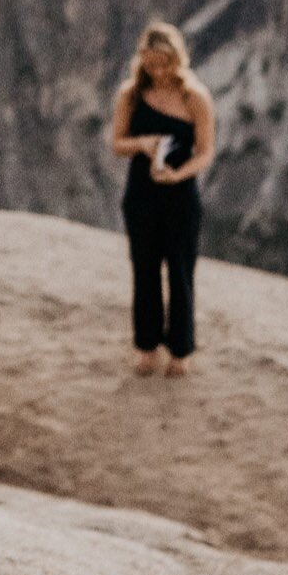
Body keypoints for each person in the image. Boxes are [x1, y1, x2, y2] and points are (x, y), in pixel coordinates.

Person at [109, 19, 216, 376]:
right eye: (151, 64)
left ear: (177, 60)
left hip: (181, 196)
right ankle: (147, 344)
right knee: (144, 269)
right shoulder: (131, 94)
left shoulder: (195, 97)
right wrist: (141, 144)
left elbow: (205, 151)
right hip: (141, 194)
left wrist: (179, 174)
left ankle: (181, 350)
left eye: (164, 64)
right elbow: (117, 143)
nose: (158, 71)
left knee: (181, 274)